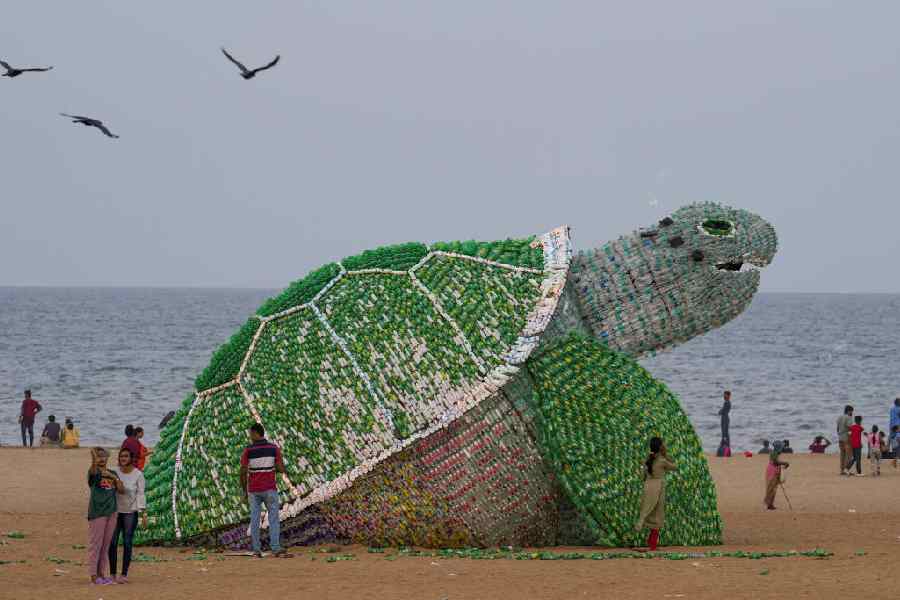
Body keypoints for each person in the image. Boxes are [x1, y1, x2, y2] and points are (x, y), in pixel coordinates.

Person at [239, 423, 291, 558]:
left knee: (255, 519)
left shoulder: (248, 450)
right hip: (269, 489)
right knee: (273, 518)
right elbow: (280, 468)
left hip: (254, 490)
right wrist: (282, 468)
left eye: (250, 433)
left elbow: (243, 471)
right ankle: (275, 547)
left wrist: (244, 490)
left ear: (256, 433)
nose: (250, 436)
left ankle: (256, 549)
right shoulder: (273, 448)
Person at [108, 448, 146, 583]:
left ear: (131, 458)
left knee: (127, 542)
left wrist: (142, 512)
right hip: (115, 512)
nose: (123, 458)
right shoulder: (113, 472)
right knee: (112, 543)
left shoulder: (138, 474)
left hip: (130, 512)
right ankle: (112, 574)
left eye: (126, 456)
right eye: (121, 456)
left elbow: (141, 494)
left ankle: (124, 574)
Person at [87, 447, 123, 585]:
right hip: (97, 513)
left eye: (104, 457)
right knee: (95, 544)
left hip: (111, 512)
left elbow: (121, 490)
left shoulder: (112, 473)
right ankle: (93, 576)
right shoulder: (93, 473)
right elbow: (93, 472)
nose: (102, 459)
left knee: (105, 545)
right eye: (99, 457)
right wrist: (94, 459)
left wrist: (113, 477)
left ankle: (102, 573)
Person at [634, 437, 677, 551]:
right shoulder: (662, 461)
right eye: (663, 444)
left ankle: (647, 535)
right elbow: (675, 466)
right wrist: (666, 454)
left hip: (648, 486)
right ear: (660, 447)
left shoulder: (648, 458)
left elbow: (642, 475)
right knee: (657, 515)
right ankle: (652, 545)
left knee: (648, 511)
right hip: (658, 487)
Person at [763, 441, 790, 510]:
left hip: (774, 471)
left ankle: (770, 504)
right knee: (771, 488)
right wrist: (785, 463)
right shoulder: (774, 453)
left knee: (773, 488)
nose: (782, 449)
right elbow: (775, 462)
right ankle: (769, 504)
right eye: (781, 448)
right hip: (772, 471)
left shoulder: (775, 453)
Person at [836, 405, 854, 475]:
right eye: (851, 411)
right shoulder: (849, 417)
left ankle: (841, 470)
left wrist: (839, 434)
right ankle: (847, 470)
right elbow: (850, 428)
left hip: (840, 437)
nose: (852, 412)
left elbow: (837, 428)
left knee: (842, 454)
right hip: (846, 438)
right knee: (848, 455)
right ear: (849, 411)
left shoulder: (839, 417)